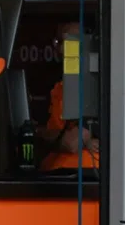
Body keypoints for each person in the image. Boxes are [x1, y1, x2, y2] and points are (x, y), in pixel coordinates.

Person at [39, 21, 99, 172]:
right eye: (59, 42)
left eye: (72, 42)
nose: (62, 49)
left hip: (83, 174)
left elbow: (72, 143)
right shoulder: (58, 87)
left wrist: (40, 134)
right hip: (53, 171)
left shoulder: (96, 87)